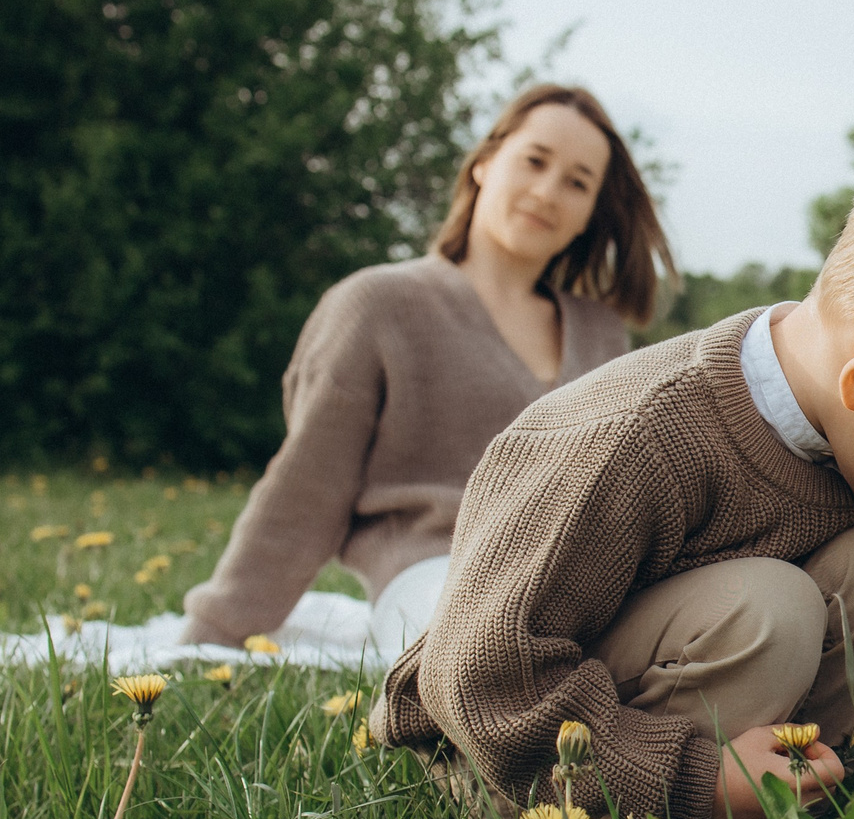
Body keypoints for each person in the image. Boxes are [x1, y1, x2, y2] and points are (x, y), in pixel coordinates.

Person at [371, 131, 854, 819]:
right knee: (771, 607)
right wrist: (693, 783)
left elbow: (835, 601)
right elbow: (482, 677)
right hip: (513, 762)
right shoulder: (632, 440)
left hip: (670, 702)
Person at [178, 84, 671, 658]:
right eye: (534, 161)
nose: (547, 192)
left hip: (589, 585)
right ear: (484, 163)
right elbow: (308, 486)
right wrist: (213, 633)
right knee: (493, 658)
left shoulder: (603, 334)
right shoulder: (379, 304)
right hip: (440, 576)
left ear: (591, 214)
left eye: (577, 182)